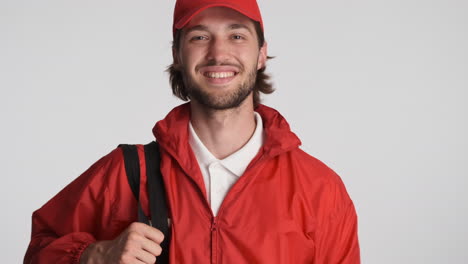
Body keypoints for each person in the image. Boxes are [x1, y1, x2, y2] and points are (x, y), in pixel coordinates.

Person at [24, 0, 360, 263]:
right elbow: (39, 249)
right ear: (177, 55)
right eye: (199, 36)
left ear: (260, 54)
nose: (218, 53)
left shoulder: (320, 191)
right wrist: (94, 257)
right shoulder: (126, 174)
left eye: (237, 35)